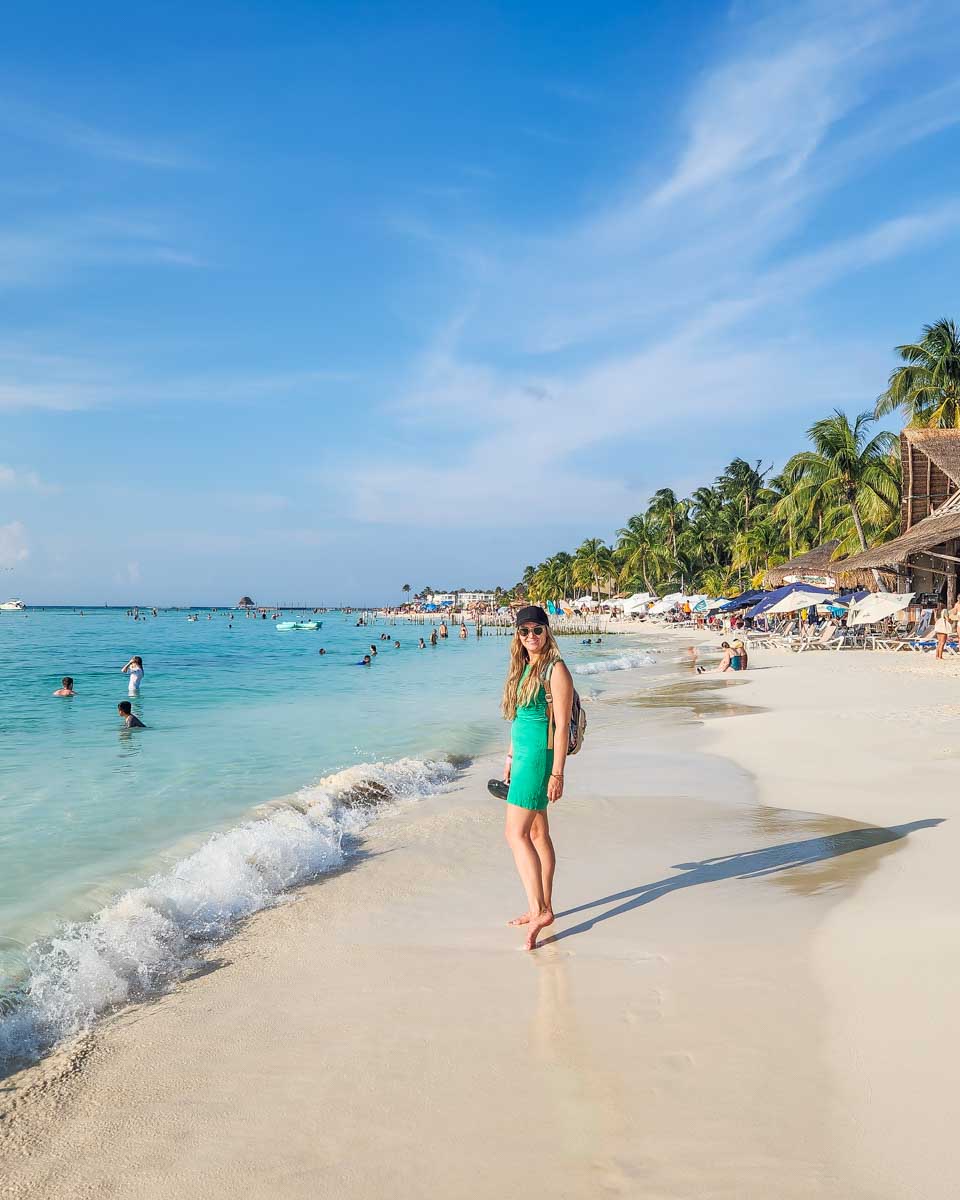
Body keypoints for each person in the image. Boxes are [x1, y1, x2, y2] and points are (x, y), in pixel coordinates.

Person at [500, 605, 573, 951]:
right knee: (537, 832)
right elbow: (519, 721)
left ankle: (538, 909)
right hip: (524, 758)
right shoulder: (524, 666)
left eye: (537, 630)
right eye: (524, 631)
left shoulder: (556, 670)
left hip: (539, 762)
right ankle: (545, 907)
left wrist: (557, 772)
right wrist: (510, 757)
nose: (531, 636)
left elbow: (559, 729)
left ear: (548, 630)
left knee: (514, 834)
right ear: (518, 635)